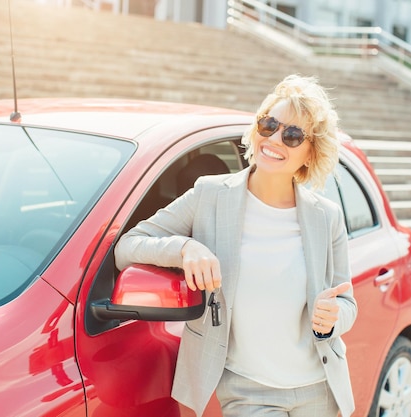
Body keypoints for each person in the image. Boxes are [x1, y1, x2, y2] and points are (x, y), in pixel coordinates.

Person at [114, 74, 357, 417]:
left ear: (309, 154)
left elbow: (346, 303)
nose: (275, 139)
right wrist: (185, 249)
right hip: (248, 391)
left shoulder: (327, 217)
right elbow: (129, 245)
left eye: (292, 135)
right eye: (269, 124)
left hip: (318, 390)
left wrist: (333, 318)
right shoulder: (209, 196)